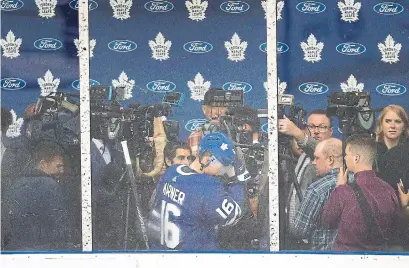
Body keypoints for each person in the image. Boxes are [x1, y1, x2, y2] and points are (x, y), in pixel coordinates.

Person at [147, 132, 245, 250]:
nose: (224, 170)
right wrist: (235, 181)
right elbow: (233, 215)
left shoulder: (170, 173)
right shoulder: (207, 186)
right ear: (208, 158)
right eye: (224, 164)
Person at [321, 134, 406, 251]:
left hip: (346, 259)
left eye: (346, 155)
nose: (344, 158)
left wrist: (339, 187)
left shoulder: (343, 191)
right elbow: (396, 228)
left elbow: (327, 221)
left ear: (356, 158)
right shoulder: (389, 190)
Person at [290, 138, 343, 250]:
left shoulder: (317, 189)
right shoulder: (354, 181)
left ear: (330, 160)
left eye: (317, 158)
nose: (313, 162)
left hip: (322, 255)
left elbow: (299, 230)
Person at [375, 105, 409, 190]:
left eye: (398, 121)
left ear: (404, 126)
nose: (392, 126)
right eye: (388, 121)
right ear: (381, 124)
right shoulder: (371, 150)